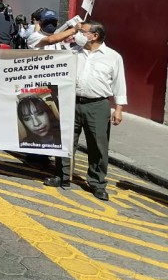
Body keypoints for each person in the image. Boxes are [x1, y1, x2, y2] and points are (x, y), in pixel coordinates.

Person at [44, 21, 127, 201]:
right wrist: (73, 30)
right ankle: (62, 175)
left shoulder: (113, 57)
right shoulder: (73, 52)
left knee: (98, 145)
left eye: (83, 31)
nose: (78, 34)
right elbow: (47, 44)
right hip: (71, 102)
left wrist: (119, 109)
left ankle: (97, 183)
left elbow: (119, 84)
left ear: (95, 35)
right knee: (66, 141)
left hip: (97, 105)